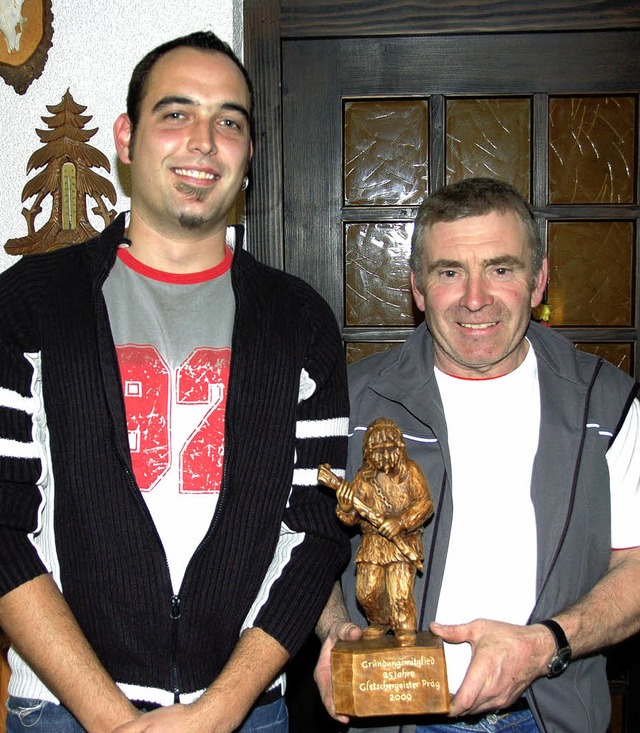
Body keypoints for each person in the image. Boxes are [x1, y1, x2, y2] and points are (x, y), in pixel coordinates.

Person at [0, 31, 350, 733]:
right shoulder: (31, 304)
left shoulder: (299, 320)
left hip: (246, 712)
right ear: (127, 138)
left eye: (229, 121)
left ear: (248, 155)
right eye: (176, 113)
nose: (204, 141)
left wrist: (219, 710)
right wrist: (111, 719)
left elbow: (319, 533)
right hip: (63, 712)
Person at [314, 177, 640, 733]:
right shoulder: (352, 401)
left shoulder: (606, 402)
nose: (474, 298)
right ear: (418, 288)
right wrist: (334, 630)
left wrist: (546, 645)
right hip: (395, 718)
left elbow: (635, 565)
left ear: (538, 280)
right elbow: (301, 548)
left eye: (501, 268)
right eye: (449, 272)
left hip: (548, 717)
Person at [318, 418, 433, 646]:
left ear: (399, 447)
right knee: (367, 592)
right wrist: (345, 506)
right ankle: (381, 621)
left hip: (402, 543)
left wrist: (400, 521)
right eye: (378, 451)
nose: (384, 456)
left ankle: (405, 632)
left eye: (389, 449)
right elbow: (351, 520)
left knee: (400, 594)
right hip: (373, 544)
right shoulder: (363, 478)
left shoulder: (411, 471)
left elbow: (425, 504)